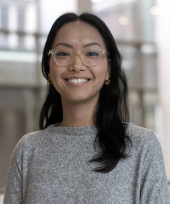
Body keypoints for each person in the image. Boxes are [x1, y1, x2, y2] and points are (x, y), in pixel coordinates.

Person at [3, 12, 170, 204]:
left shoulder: (142, 146)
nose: (76, 65)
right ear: (49, 68)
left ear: (108, 68)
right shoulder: (28, 150)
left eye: (91, 53)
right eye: (63, 53)